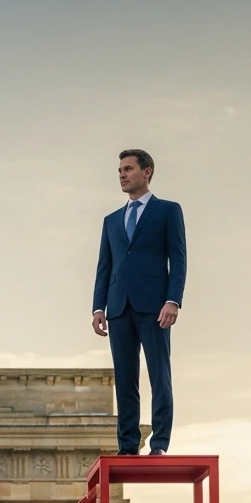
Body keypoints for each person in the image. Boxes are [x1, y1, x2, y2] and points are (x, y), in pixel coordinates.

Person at [92, 149, 187, 456]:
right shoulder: (111, 221)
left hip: (156, 307)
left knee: (160, 376)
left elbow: (179, 259)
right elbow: (104, 267)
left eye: (128, 168)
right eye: (120, 169)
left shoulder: (168, 210)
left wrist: (173, 300)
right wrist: (98, 307)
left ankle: (159, 444)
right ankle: (128, 446)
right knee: (125, 379)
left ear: (146, 172)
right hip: (119, 308)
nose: (122, 174)